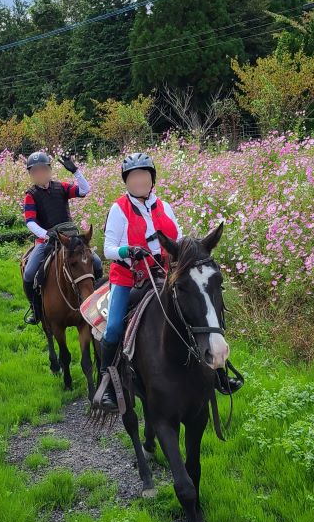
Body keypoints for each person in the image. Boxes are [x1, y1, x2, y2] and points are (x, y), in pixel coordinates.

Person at [99, 153, 240, 410]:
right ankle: (106, 383)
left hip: (162, 273)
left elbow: (180, 239)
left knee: (198, 313)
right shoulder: (119, 208)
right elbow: (108, 248)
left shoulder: (164, 207)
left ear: (151, 179)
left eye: (144, 176)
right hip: (129, 277)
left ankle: (220, 371)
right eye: (134, 177)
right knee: (113, 328)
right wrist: (128, 250)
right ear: (127, 181)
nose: (139, 181)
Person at [22, 151, 102, 325]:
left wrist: (75, 171)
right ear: (31, 174)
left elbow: (84, 190)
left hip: (70, 239)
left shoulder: (61, 187)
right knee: (29, 274)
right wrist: (46, 234)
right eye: (35, 171)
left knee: (95, 262)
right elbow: (30, 221)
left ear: (49, 170)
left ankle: (95, 302)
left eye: (43, 170)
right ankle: (36, 310)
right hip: (47, 240)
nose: (39, 174)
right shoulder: (31, 195)